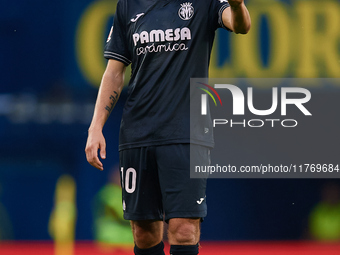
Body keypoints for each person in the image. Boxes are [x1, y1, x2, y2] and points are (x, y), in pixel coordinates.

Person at [85, 0, 250, 254]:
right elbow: (114, 72)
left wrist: (237, 4)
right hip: (138, 134)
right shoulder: (128, 6)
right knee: (144, 232)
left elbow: (241, 25)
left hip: (187, 134)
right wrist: (95, 127)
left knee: (184, 230)